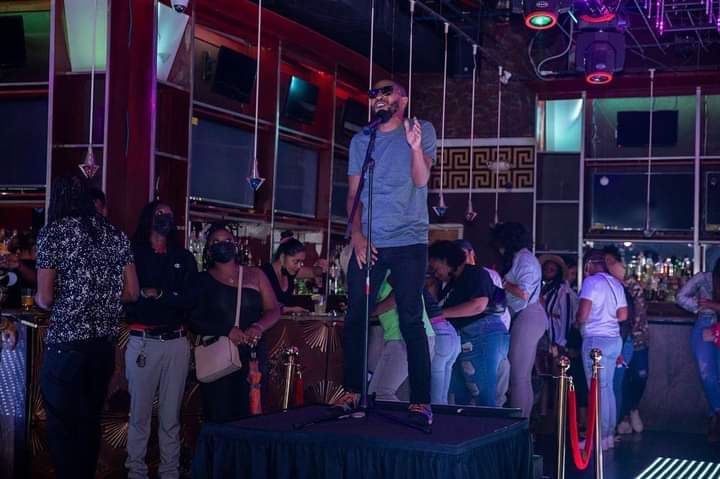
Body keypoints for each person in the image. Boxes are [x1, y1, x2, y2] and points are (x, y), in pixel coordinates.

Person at [337, 79, 436, 427]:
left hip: (409, 241)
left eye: (386, 92)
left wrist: (414, 147)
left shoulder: (420, 129)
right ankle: (352, 392)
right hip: (371, 241)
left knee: (410, 317)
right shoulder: (362, 140)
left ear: (403, 100)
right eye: (374, 93)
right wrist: (357, 236)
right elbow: (354, 195)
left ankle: (421, 400)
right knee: (356, 315)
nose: (378, 97)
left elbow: (421, 180)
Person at [35, 176, 139, 479]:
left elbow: (45, 298)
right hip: (102, 348)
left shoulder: (54, 232)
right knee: (89, 422)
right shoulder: (116, 235)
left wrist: (64, 297)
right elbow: (132, 292)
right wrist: (101, 295)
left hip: (66, 345)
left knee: (62, 428)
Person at [124, 201, 197, 479]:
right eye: (159, 213)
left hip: (176, 341)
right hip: (143, 340)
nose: (165, 217)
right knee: (139, 415)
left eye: (169, 214)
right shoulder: (133, 253)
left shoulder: (183, 256)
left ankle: (170, 473)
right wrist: (155, 297)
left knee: (170, 417)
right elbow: (128, 298)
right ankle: (136, 472)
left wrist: (162, 295)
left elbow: (190, 299)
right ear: (148, 218)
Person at [188, 224, 281, 422]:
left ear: (236, 245)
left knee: (252, 413)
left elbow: (273, 309)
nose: (222, 244)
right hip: (219, 355)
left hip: (252, 354)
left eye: (227, 240)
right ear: (208, 249)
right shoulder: (201, 280)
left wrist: (258, 326)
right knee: (219, 415)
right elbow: (193, 318)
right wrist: (226, 330)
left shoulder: (255, 274)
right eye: (216, 241)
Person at [429, 240, 508, 407]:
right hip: (466, 338)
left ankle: (489, 423)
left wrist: (440, 314)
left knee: (482, 395)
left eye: (436, 269)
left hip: (481, 335)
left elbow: (478, 305)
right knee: (462, 397)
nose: (436, 274)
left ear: (445, 260)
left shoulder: (474, 273)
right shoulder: (451, 284)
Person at [492, 222, 547, 417]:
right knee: (521, 377)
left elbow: (524, 293)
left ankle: (519, 423)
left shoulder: (524, 259)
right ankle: (524, 422)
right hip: (528, 316)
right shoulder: (524, 258)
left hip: (527, 315)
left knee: (518, 377)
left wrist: (502, 282)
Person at [576, 249, 628, 450]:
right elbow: (623, 315)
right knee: (607, 390)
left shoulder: (591, 282)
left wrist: (578, 321)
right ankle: (607, 437)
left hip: (595, 339)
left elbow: (583, 314)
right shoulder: (616, 283)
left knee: (596, 390)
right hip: (614, 340)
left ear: (589, 263)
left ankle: (597, 438)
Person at [453, 239, 511, 407]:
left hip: (484, 335)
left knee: (485, 396)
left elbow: (489, 306)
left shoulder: (483, 274)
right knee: (488, 395)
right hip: (494, 335)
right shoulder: (456, 277)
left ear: (472, 254)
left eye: (463, 254)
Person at [368, 275, 436, 402]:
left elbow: (398, 297)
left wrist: (368, 312)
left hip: (406, 338)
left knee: (381, 394)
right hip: (396, 337)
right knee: (374, 394)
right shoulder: (380, 273)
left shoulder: (394, 269)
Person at [604, 249, 649, 436]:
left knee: (640, 376)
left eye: (612, 261)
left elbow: (640, 299)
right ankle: (622, 417)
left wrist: (625, 278)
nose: (610, 266)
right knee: (619, 380)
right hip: (616, 339)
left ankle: (633, 408)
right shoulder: (604, 284)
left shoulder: (631, 285)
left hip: (637, 338)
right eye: (606, 262)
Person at [677, 257, 720, 442]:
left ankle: (715, 418)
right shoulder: (703, 278)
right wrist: (699, 307)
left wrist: (712, 305)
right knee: (706, 373)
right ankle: (717, 413)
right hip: (706, 324)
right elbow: (680, 297)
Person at [260, 230, 325, 314]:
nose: (299, 266)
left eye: (301, 262)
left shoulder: (289, 272)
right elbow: (264, 307)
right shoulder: (265, 273)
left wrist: (321, 268)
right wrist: (290, 309)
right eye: (296, 261)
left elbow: (313, 271)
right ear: (282, 257)